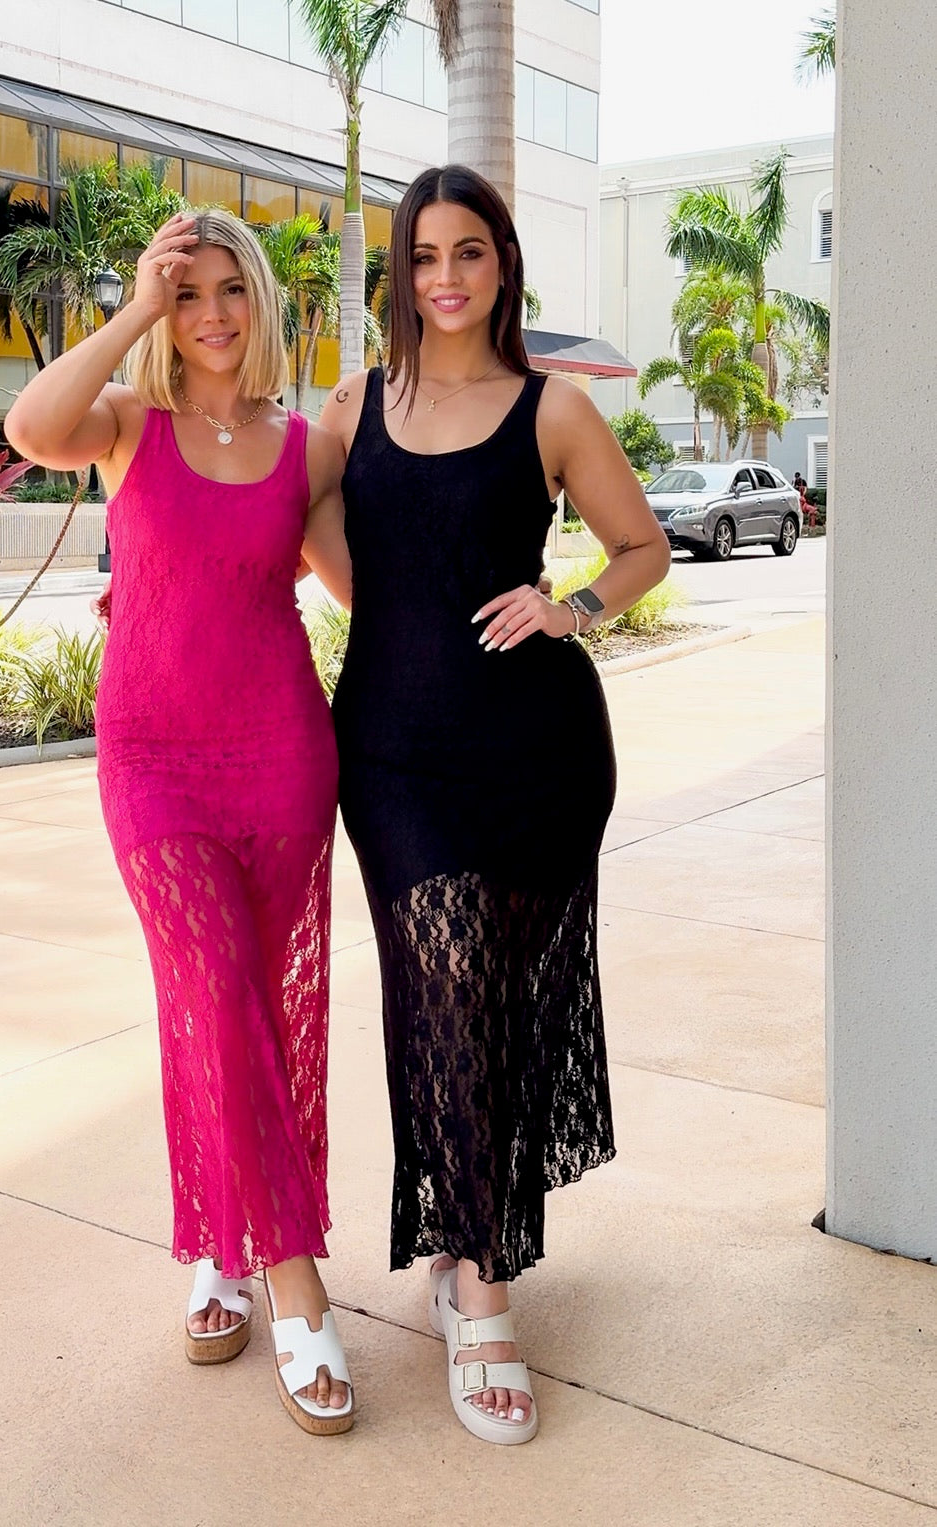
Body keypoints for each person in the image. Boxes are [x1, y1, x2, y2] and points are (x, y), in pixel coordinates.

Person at [320, 165, 671, 1446]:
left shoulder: (553, 408)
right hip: (393, 758)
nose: (446, 276)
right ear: (401, 274)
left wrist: (567, 608)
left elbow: (642, 548)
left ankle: (471, 1254)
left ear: (502, 265)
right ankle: (479, 1280)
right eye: (424, 256)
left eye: (468, 251)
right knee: (444, 995)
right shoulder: (353, 405)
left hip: (539, 754)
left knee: (501, 1017)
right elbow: (299, 528)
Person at [4, 209, 356, 1437]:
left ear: (262, 303)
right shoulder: (125, 426)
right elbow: (29, 427)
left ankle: (217, 1241)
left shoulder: (304, 451)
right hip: (153, 761)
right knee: (214, 989)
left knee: (247, 1011)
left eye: (228, 290)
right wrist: (135, 310)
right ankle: (295, 1284)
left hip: (282, 756)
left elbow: (358, 586)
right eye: (187, 292)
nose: (211, 313)